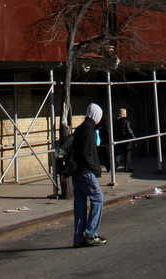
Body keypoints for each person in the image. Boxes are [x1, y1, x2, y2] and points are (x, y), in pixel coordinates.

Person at [72, 103, 107, 248]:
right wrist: (96, 169)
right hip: (86, 172)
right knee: (98, 198)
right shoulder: (89, 130)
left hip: (77, 172)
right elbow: (88, 154)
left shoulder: (80, 128)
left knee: (80, 202)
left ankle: (78, 237)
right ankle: (91, 234)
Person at [113, 107, 135, 172]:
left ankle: (114, 166)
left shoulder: (115, 121)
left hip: (118, 139)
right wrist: (133, 138)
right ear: (124, 114)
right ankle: (127, 168)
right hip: (126, 139)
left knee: (118, 154)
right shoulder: (126, 121)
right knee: (127, 153)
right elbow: (129, 130)